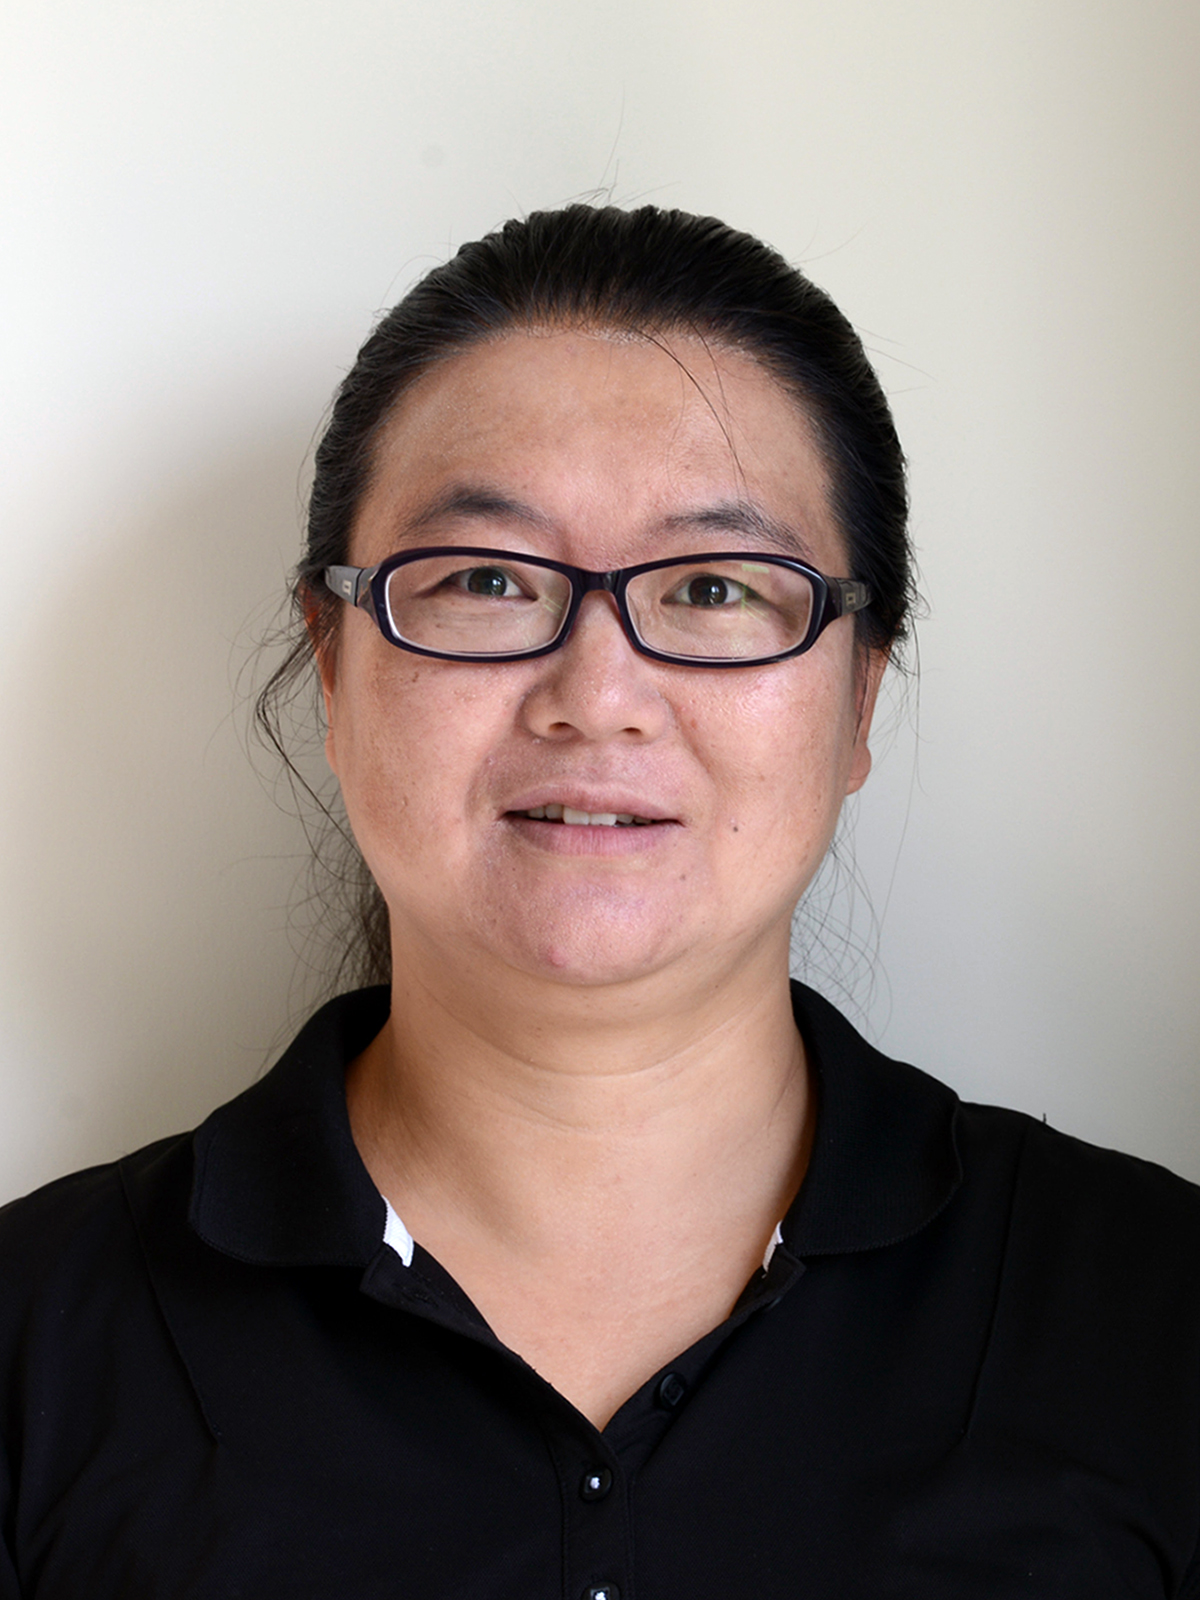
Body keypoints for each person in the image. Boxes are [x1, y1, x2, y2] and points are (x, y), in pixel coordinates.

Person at [1, 205, 1198, 1600]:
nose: (598, 695)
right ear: (333, 667)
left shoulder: (1155, 1319)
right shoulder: (34, 1348)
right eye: (487, 580)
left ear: (860, 695)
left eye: (713, 588)